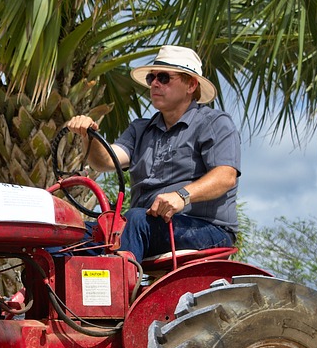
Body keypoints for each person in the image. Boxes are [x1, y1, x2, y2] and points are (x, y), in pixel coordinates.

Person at [65, 45, 240, 263]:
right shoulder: (140, 129)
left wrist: (181, 196)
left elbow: (226, 176)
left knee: (136, 220)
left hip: (205, 229)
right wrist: (87, 135)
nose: (155, 84)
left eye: (164, 77)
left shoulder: (213, 123)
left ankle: (120, 293)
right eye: (152, 78)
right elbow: (106, 161)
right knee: (68, 234)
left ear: (191, 84)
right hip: (144, 227)